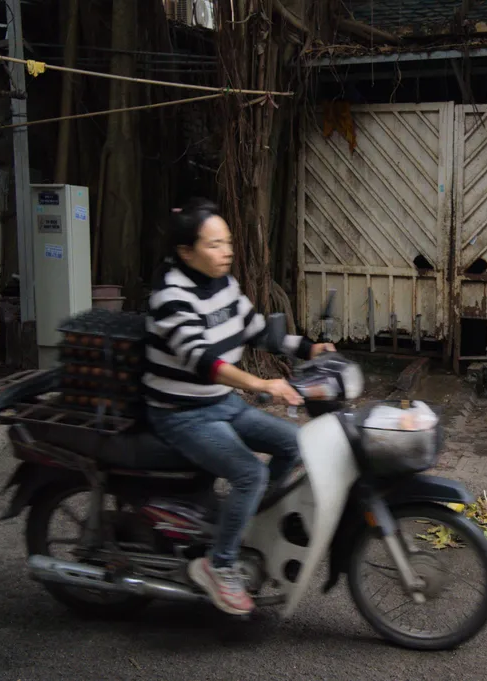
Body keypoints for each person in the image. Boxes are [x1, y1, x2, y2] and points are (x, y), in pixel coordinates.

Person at [144, 198, 334, 616]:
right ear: (186, 252)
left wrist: (310, 348)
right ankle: (220, 564)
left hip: (220, 403)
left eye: (227, 242)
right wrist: (262, 383)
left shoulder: (225, 286)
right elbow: (204, 362)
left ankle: (244, 524)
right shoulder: (171, 296)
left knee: (295, 444)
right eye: (214, 245)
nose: (226, 252)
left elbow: (258, 330)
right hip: (181, 412)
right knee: (248, 472)